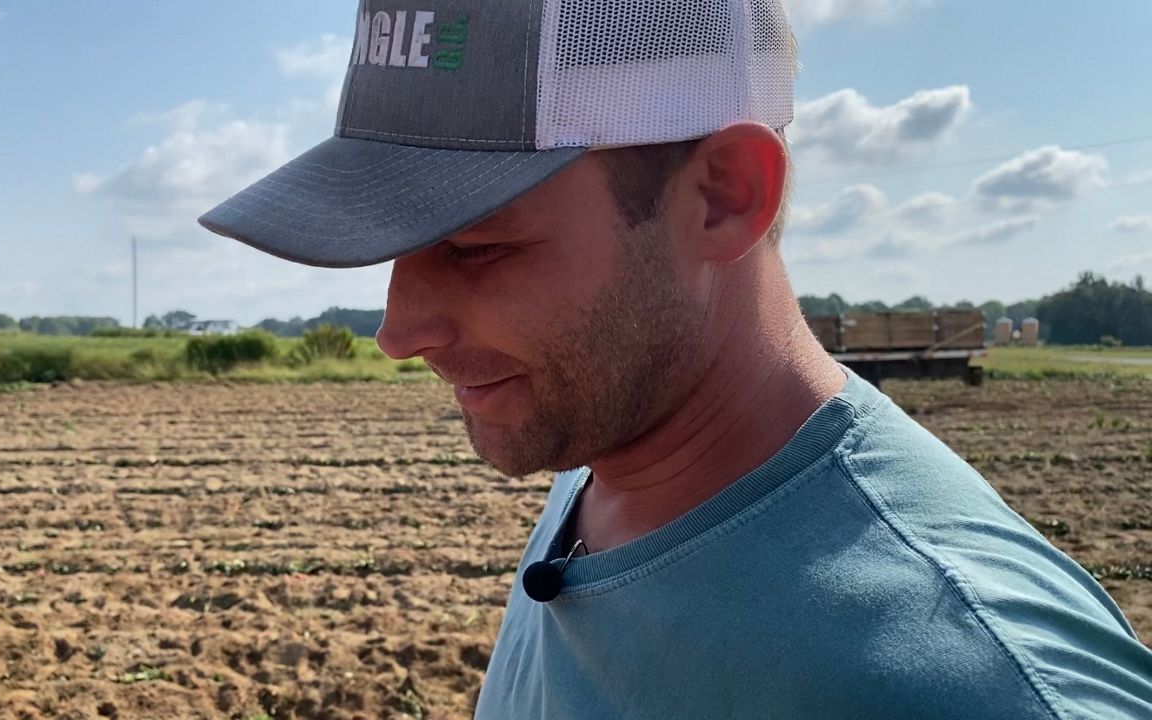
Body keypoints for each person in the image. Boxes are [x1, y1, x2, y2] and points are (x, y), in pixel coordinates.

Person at [201, 1, 1152, 717]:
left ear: (726, 196)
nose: (398, 330)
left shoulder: (967, 680)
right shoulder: (608, 463)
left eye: (479, 246)